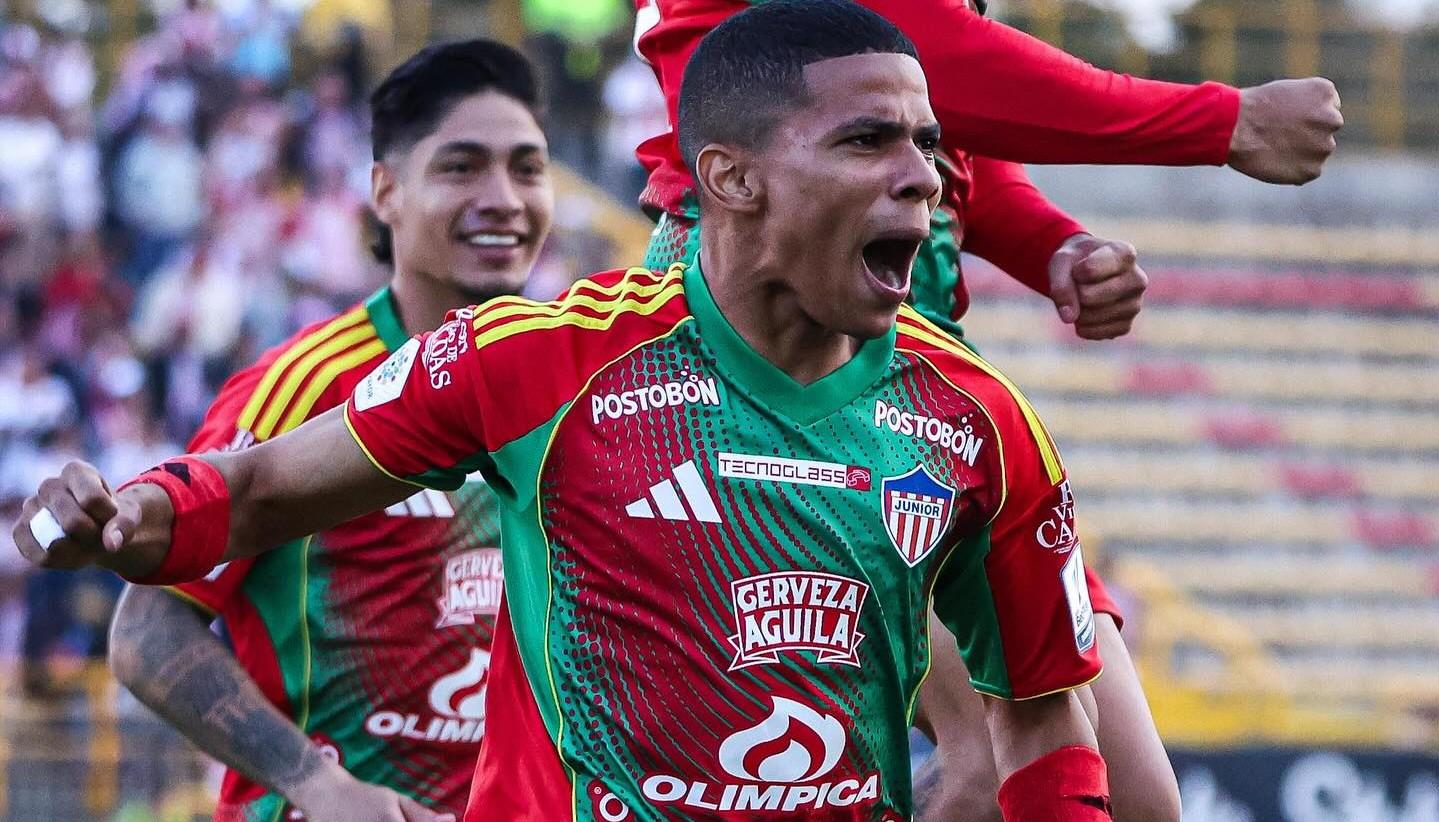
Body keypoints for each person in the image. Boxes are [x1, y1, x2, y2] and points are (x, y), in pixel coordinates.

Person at [20, 3, 1116, 820]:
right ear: (729, 178)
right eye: (869, 141)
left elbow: (1037, 717)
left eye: (927, 144)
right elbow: (244, 497)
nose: (926, 179)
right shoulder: (532, 362)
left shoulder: (972, 418)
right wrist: (126, 516)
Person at [630, 1, 1340, 819]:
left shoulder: (913, 156)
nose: (915, 163)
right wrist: (1221, 122)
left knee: (1133, 797)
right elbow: (934, 57)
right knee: (990, 768)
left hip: (911, 350)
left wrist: (1050, 242)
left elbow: (939, 128)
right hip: (775, 334)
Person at [101, 40, 553, 822]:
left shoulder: (571, 380)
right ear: (385, 191)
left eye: (527, 168)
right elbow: (147, 627)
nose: (504, 198)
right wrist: (317, 784)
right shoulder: (303, 385)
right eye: (461, 167)